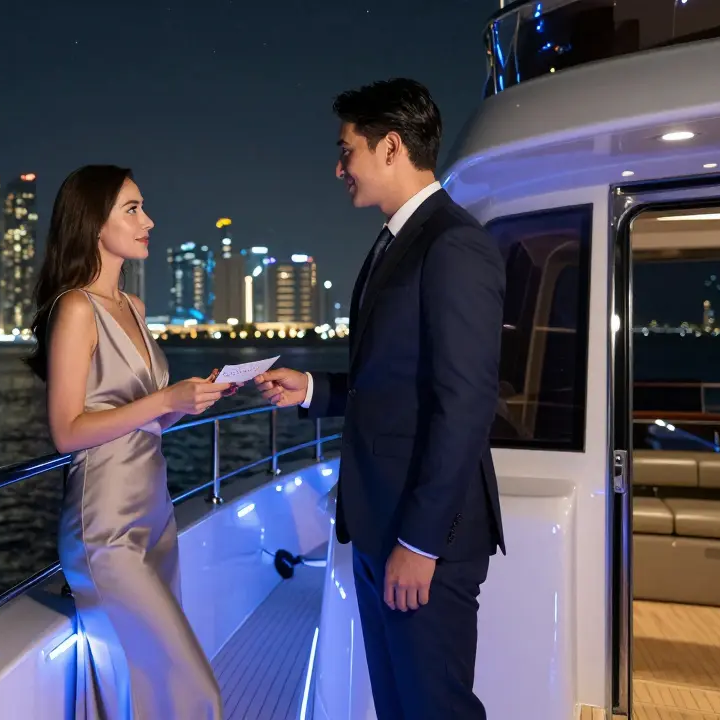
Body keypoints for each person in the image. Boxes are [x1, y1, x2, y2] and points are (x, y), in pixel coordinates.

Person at [254, 79, 506, 719]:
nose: (339, 168)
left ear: (391, 146)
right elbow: (393, 384)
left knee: (435, 708)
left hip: (423, 538)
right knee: (398, 708)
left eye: (347, 150)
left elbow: (465, 404)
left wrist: (420, 544)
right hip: (379, 527)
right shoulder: (395, 242)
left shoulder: (452, 244)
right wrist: (314, 388)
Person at [26, 164, 229, 719]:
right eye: (133, 210)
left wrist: (190, 400)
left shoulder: (134, 308)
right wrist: (164, 400)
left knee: (150, 690)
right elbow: (67, 431)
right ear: (95, 223)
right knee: (194, 694)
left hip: (155, 516)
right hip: (106, 527)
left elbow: (143, 418)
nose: (149, 221)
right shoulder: (75, 308)